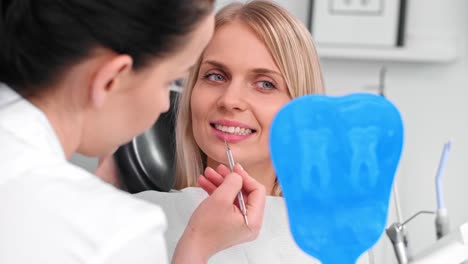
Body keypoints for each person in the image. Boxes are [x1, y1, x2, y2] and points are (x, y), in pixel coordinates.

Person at [0, 1, 266, 263]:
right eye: (171, 81)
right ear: (112, 79)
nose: (166, 105)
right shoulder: (118, 234)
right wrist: (197, 245)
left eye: (265, 83)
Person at [136, 1, 325, 263]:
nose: (229, 99)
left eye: (265, 84)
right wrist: (197, 243)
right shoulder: (137, 221)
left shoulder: (335, 237)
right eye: (215, 76)